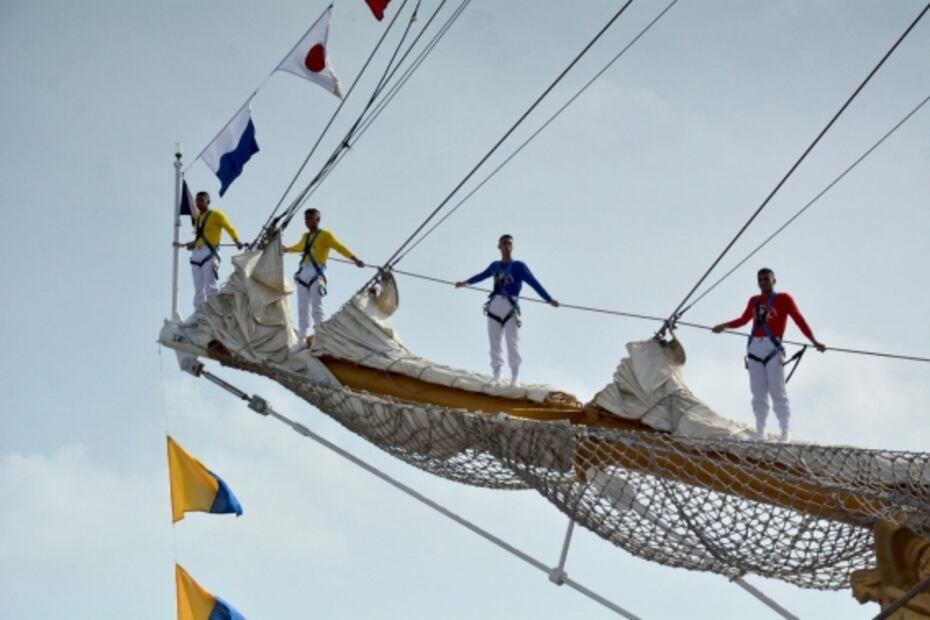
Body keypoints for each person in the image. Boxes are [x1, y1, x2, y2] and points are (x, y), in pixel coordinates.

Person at [712, 268, 826, 442]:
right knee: (758, 394)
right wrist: (724, 326)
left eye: (767, 279)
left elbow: (798, 319)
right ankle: (760, 432)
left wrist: (814, 342)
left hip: (773, 348)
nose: (764, 282)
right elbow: (743, 320)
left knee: (777, 391)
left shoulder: (783, 299)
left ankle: (785, 431)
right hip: (754, 349)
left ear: (774, 280)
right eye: (761, 280)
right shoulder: (754, 300)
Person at [455, 234, 559, 386]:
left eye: (510, 244)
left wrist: (549, 299)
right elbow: (482, 276)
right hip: (495, 306)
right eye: (504, 243)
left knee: (513, 342)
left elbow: (534, 283)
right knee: (494, 343)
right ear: (499, 247)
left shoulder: (519, 266)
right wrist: (465, 283)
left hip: (510, 306)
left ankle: (514, 377)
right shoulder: (495, 266)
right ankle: (496, 375)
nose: (507, 246)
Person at [284, 208, 364, 345]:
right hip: (303, 273)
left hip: (316, 273)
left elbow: (339, 247)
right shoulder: (306, 237)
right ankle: (302, 340)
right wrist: (286, 249)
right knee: (302, 308)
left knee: (317, 307)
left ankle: (320, 337)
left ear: (317, 219)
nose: (307, 221)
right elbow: (299, 247)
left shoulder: (326, 235)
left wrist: (354, 259)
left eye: (309, 218)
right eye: (305, 219)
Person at [183, 191, 243, 320]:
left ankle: (214, 310)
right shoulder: (198, 217)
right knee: (198, 286)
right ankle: (199, 310)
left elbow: (229, 227)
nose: (198, 203)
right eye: (197, 201)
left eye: (201, 200)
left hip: (209, 252)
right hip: (197, 254)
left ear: (208, 202)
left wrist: (236, 240)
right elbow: (199, 236)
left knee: (210, 285)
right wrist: (193, 244)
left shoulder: (216, 215)